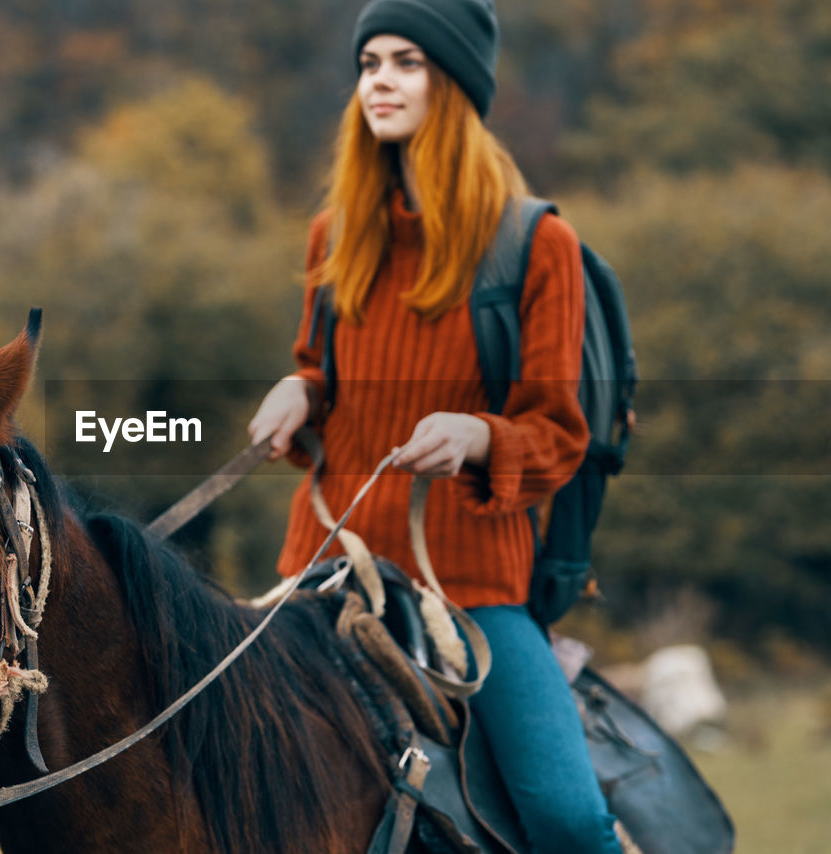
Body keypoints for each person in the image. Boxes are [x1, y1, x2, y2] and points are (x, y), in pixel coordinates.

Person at [246, 1, 624, 851]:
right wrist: (297, 394)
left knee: (567, 819)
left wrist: (480, 435)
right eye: (369, 61)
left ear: (454, 83)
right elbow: (323, 373)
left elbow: (559, 432)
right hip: (322, 570)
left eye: (406, 61)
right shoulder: (334, 237)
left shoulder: (537, 244)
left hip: (472, 586)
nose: (378, 79)